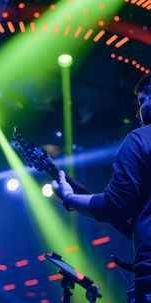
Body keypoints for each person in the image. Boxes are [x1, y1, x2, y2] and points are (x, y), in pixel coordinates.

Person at [52, 73, 151, 303]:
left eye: (141, 101)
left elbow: (114, 205)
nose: (137, 113)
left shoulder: (140, 140)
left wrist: (68, 197)